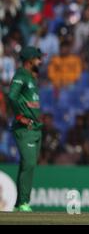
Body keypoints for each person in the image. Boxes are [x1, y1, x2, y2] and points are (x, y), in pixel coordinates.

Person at [7, 46, 44, 212]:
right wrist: (20, 116)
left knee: (27, 164)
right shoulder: (21, 75)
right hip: (25, 128)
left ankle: (19, 203)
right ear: (29, 61)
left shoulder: (31, 77)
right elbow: (11, 96)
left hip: (35, 127)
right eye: (38, 58)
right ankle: (23, 203)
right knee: (29, 163)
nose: (40, 61)